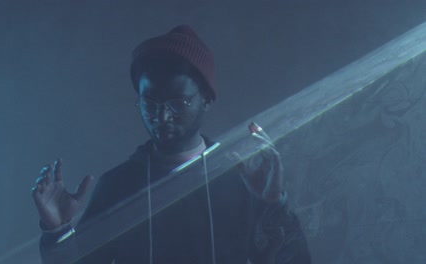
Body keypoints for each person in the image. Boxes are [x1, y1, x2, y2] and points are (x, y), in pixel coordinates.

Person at [31, 25, 311, 264]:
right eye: (149, 104)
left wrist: (274, 204)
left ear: (207, 100)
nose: (161, 117)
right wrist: (59, 233)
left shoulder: (240, 178)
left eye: (177, 103)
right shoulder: (118, 187)